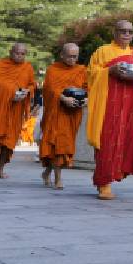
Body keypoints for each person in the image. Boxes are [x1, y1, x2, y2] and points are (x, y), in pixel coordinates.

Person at [86, 20, 133, 200]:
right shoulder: (102, 52)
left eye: (130, 32)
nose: (126, 34)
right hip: (108, 106)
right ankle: (103, 183)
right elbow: (91, 74)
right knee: (106, 141)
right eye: (122, 31)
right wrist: (109, 71)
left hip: (130, 108)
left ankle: (116, 173)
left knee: (125, 142)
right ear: (114, 33)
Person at [0, 43, 37, 180]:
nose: (19, 56)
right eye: (17, 53)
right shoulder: (0, 64)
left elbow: (31, 84)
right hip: (0, 108)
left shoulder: (27, 67)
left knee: (9, 142)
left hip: (16, 109)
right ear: (11, 52)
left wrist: (28, 91)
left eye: (22, 54)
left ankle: (0, 169)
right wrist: (13, 91)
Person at [40, 43, 88, 190]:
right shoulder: (53, 70)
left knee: (64, 146)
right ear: (62, 55)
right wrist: (63, 98)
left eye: (75, 56)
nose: (72, 59)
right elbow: (48, 90)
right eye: (69, 56)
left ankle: (48, 171)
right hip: (57, 113)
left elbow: (87, 87)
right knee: (57, 144)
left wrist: (86, 99)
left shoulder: (81, 70)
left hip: (73, 114)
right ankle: (58, 179)